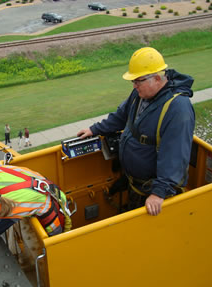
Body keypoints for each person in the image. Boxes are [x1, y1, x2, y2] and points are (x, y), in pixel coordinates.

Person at [77, 47, 195, 216]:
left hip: (154, 195)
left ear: (156, 78)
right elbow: (121, 116)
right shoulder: (141, 94)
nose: (134, 85)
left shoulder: (178, 109)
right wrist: (95, 129)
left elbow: (175, 154)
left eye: (138, 81)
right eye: (133, 81)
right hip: (136, 185)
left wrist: (158, 193)